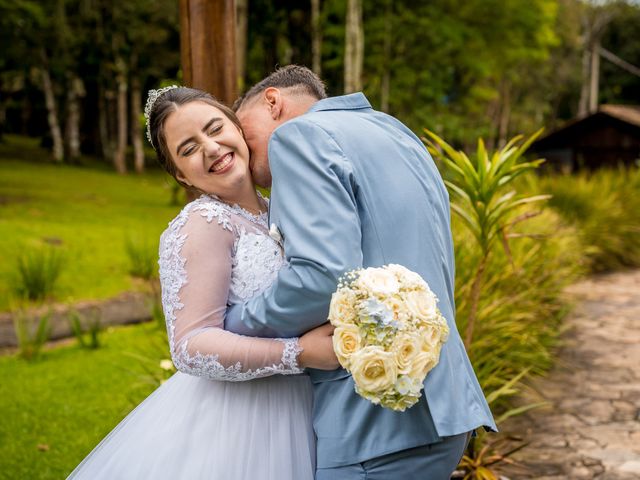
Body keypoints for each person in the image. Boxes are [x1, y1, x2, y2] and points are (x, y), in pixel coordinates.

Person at [223, 65, 497, 479]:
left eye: (244, 134)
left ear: (273, 102)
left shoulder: (298, 138)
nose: (242, 150)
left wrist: (232, 323)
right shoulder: (395, 132)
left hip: (372, 425)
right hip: (444, 406)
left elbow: (321, 278)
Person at [66, 86, 339, 480]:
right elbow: (190, 346)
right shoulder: (202, 225)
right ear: (179, 173)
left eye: (215, 129)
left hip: (304, 404)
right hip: (241, 424)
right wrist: (298, 353)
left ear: (237, 129)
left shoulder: (279, 207)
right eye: (189, 148)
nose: (211, 148)